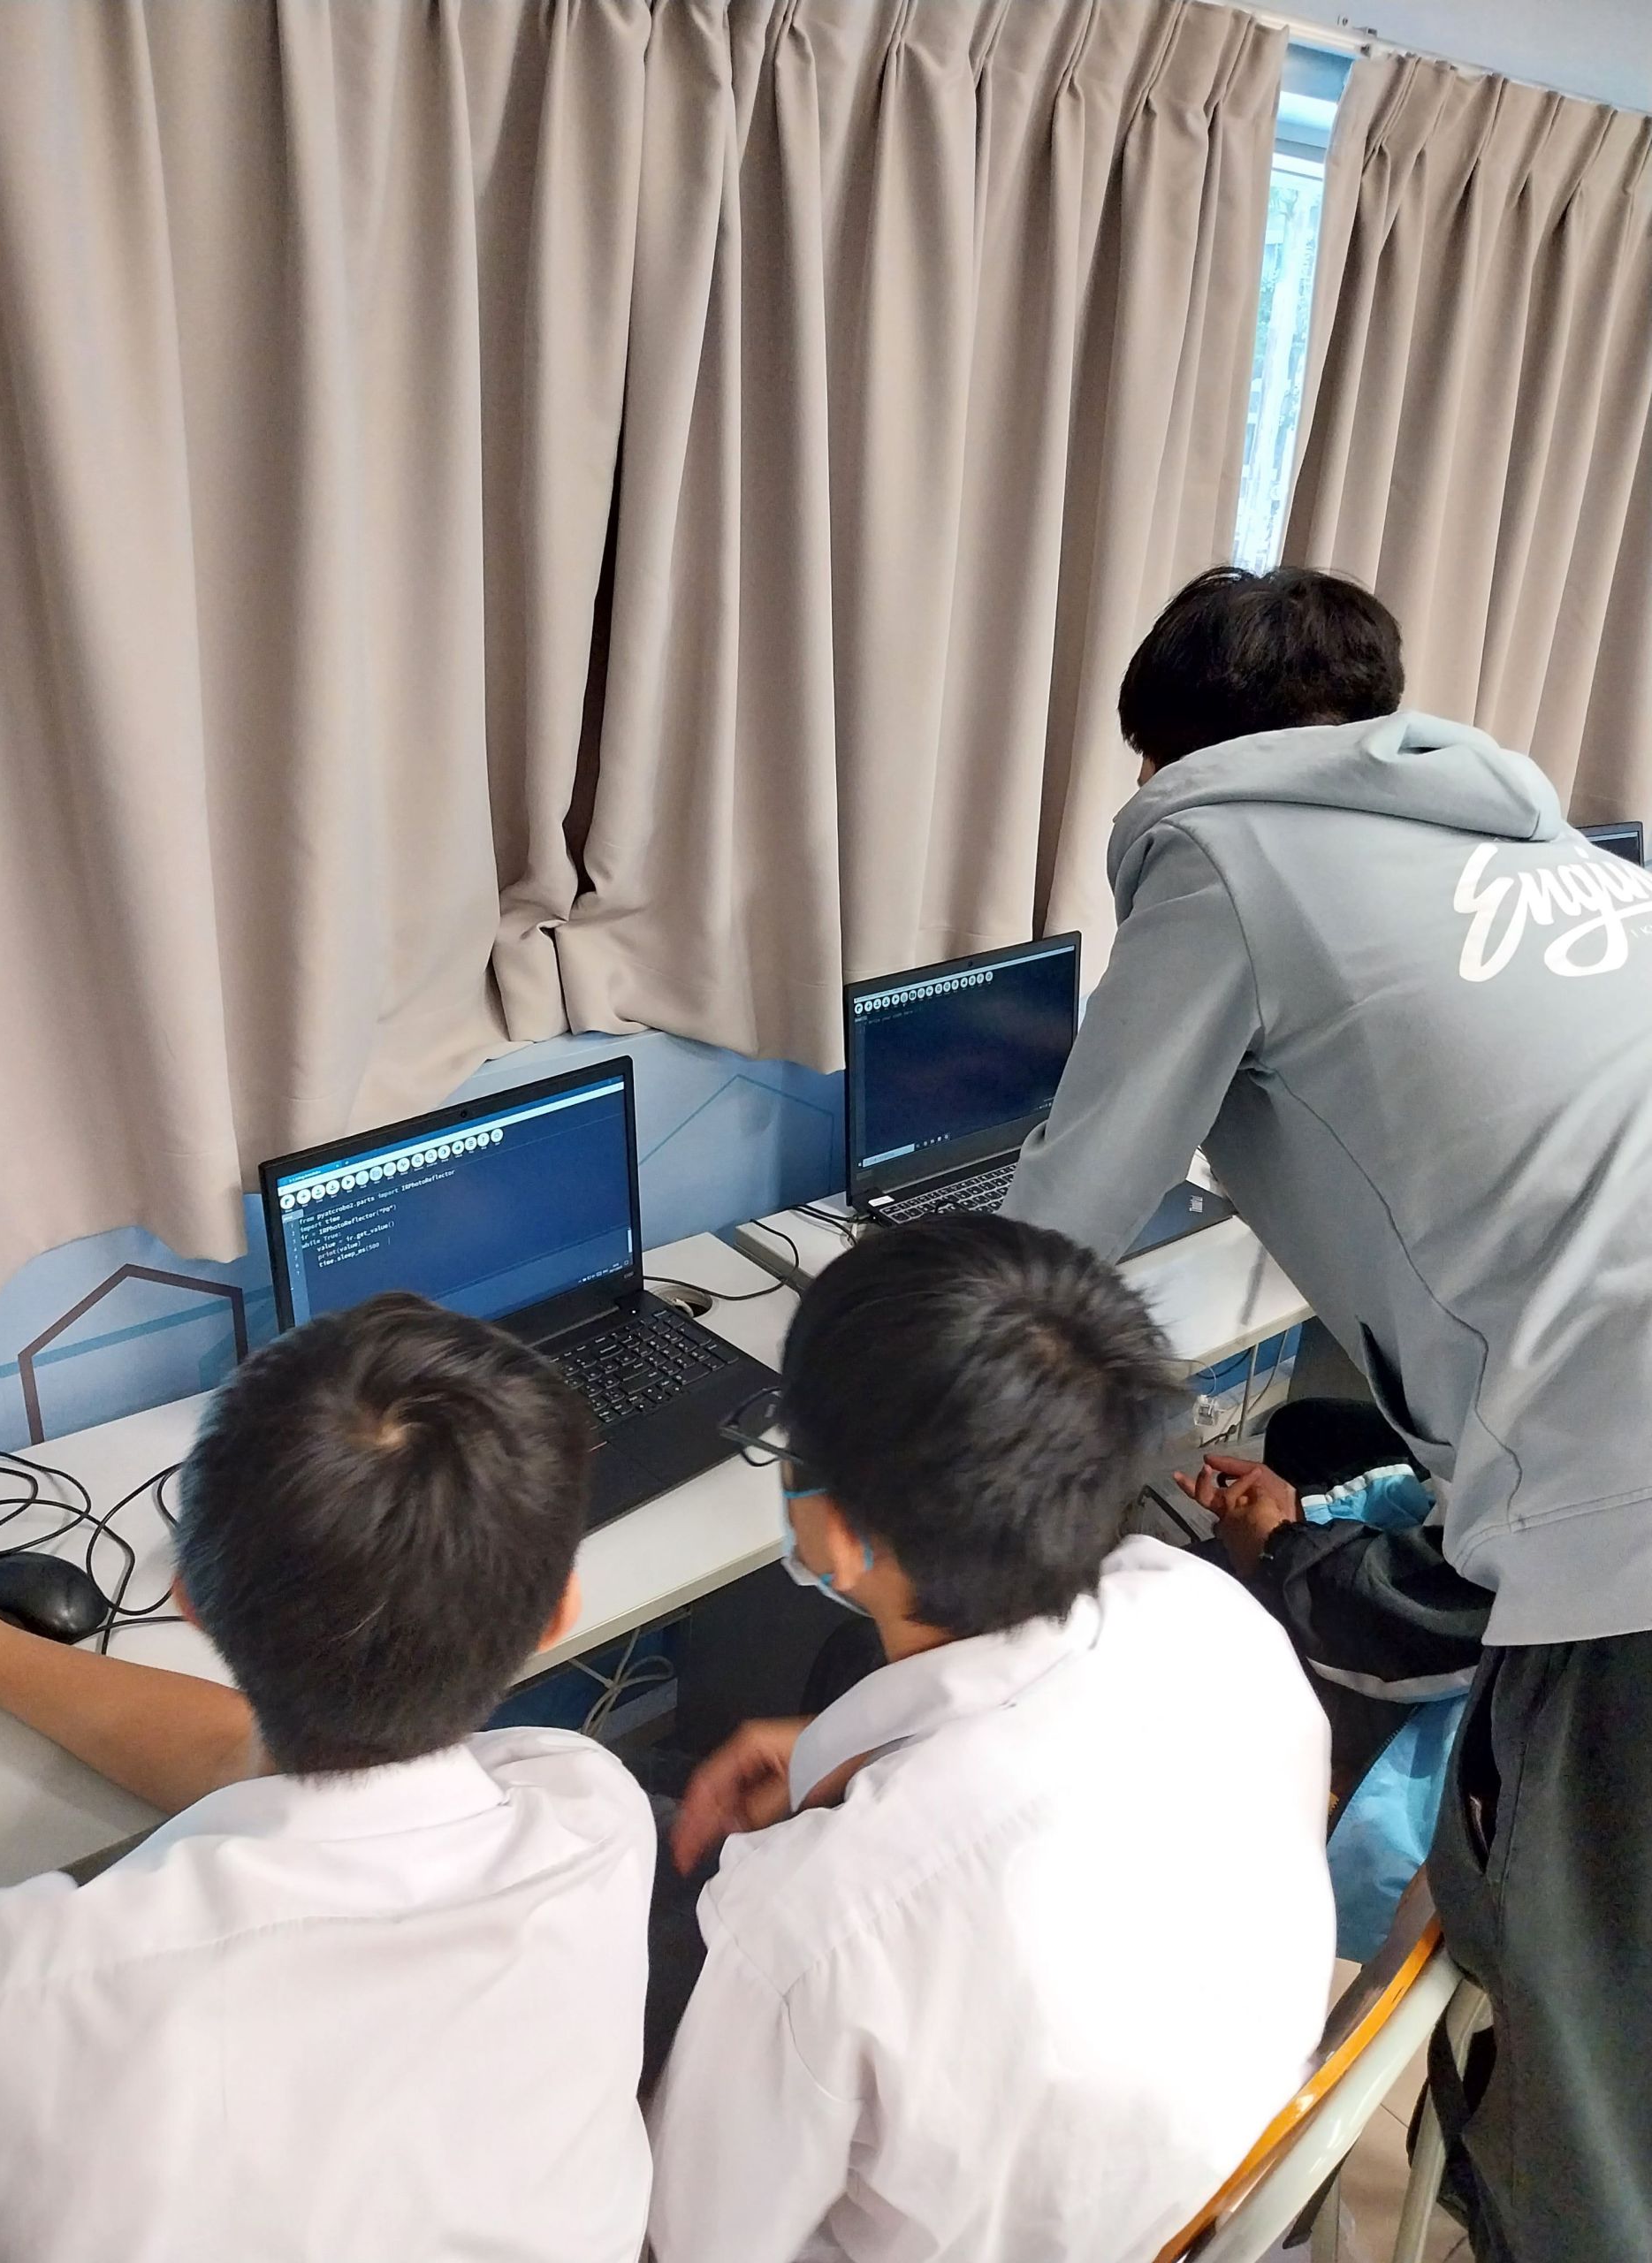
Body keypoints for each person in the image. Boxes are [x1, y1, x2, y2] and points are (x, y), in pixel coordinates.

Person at [1003, 562, 1652, 2263]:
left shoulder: (1220, 853)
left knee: (1584, 2090)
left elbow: (1049, 1242)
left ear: (1168, 754)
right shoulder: (1552, 854)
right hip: (1604, 1452)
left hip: (1626, 1545)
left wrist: (880, 1426)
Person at [645, 1215, 1335, 2263]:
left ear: (841, 1531)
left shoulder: (812, 1924)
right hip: (1236, 2208)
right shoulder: (1215, 1616)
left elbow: (699, 2242)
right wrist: (838, 1750)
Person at [0, 1293, 654, 2263]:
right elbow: (260, 1763)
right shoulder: (593, 1811)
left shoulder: (1, 2000)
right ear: (556, 1615)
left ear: (191, 1603)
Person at [1175, 1400, 1488, 1961]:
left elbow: (1429, 1628)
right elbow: (1440, 1500)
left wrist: (1279, 1549)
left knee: (1191, 1641)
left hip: (1443, 1744)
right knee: (1304, 1427)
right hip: (1427, 1640)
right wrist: (1303, 1510)